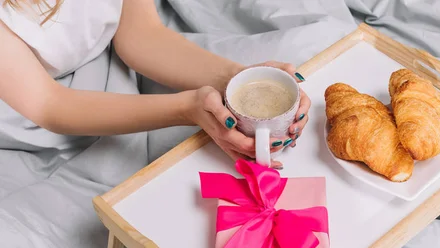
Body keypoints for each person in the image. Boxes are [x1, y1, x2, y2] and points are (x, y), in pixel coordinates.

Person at [0, 0, 311, 167]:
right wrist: (187, 108)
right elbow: (50, 106)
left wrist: (238, 80)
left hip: (108, 60)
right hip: (32, 110)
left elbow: (141, 35)